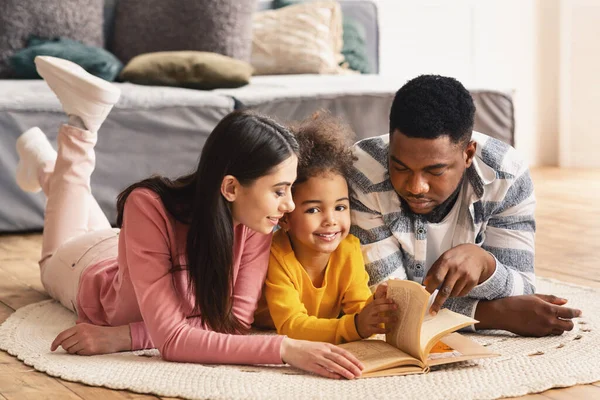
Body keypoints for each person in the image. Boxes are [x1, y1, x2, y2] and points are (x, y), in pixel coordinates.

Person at [14, 55, 364, 380]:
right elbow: (173, 341)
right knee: (49, 262)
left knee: (78, 207)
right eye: (279, 190)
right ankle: (81, 127)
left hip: (129, 250)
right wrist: (284, 348)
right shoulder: (148, 205)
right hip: (85, 265)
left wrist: (126, 336)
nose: (289, 205)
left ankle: (45, 164)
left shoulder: (256, 221)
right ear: (230, 187)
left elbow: (234, 323)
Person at [348, 74, 581, 337]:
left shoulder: (506, 175)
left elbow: (523, 288)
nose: (416, 187)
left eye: (434, 171)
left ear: (468, 154)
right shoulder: (364, 172)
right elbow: (387, 304)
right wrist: (494, 314)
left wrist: (485, 265)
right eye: (400, 167)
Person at [253, 114, 397, 344]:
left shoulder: (348, 249)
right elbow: (291, 325)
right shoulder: (276, 255)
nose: (331, 220)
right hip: (265, 325)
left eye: (340, 207)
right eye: (313, 210)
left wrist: (376, 310)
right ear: (285, 217)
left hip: (321, 325)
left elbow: (357, 308)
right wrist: (355, 325)